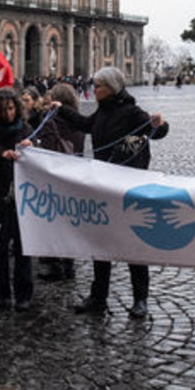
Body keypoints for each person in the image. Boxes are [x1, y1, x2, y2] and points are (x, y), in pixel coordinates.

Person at [53, 66, 169, 318]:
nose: (94, 90)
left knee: (134, 244)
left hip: (129, 190)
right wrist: (60, 109)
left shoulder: (131, 112)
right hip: (103, 186)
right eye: (94, 86)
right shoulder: (101, 112)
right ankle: (98, 297)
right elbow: (84, 124)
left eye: (98, 86)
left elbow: (156, 131)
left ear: (111, 89)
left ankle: (141, 299)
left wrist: (161, 123)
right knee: (101, 243)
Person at [0, 89, 34, 311]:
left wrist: (33, 149)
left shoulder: (26, 130)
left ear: (17, 108)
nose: (8, 113)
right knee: (0, 248)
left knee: (24, 248)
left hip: (23, 199)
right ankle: (1, 293)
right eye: (3, 109)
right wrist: (0, 156)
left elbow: (40, 162)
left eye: (11, 108)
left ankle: (24, 294)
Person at [35, 82, 85, 283]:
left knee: (53, 220)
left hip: (54, 177)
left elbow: (45, 150)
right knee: (69, 220)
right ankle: (69, 264)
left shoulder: (51, 121)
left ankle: (55, 264)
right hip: (74, 175)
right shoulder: (79, 121)